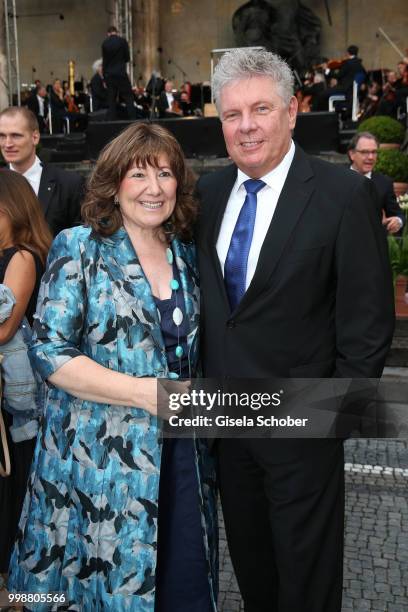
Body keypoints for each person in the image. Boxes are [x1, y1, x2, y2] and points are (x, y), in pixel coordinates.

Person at [196, 48, 394, 612]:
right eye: (232, 114)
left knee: (307, 585)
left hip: (303, 430)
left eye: (260, 109)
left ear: (291, 111)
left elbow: (367, 323)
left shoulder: (341, 195)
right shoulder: (206, 196)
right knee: (254, 574)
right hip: (225, 427)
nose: (246, 126)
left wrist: (329, 426)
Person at [8, 123, 218, 612]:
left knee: (182, 586)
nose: (154, 188)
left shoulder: (186, 255)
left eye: (165, 174)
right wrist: (144, 393)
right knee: (101, 592)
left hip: (182, 460)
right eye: (138, 174)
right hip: (96, 467)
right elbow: (50, 353)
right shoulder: (78, 246)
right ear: (113, 184)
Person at [0, 169, 52, 583]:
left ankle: (18, 587)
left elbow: (4, 327)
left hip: (14, 403)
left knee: (14, 489)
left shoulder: (21, 256)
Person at [0, 107, 84, 237]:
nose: (7, 144)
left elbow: (81, 241)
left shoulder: (69, 184)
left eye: (16, 136)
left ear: (35, 137)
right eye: (2, 136)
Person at [348, 131, 404, 233]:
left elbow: (397, 214)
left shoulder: (384, 183)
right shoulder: (337, 177)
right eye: (365, 152)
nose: (370, 157)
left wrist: (398, 221)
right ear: (352, 154)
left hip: (372, 243)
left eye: (374, 152)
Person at [102, 25, 137, 120]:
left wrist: (104, 78)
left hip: (109, 75)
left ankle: (112, 123)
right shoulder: (122, 41)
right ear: (116, 32)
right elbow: (127, 58)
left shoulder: (105, 43)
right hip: (121, 73)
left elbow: (104, 62)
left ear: (108, 33)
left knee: (112, 100)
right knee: (128, 97)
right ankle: (133, 121)